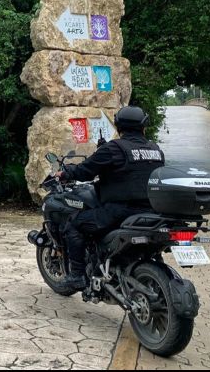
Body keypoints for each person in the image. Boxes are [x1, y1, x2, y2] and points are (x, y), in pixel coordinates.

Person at [56, 106, 165, 290]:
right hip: (152, 211)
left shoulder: (114, 148)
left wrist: (66, 173)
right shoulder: (155, 149)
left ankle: (77, 276)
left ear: (118, 126)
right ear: (144, 127)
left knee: (74, 225)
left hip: (120, 211)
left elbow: (85, 171)